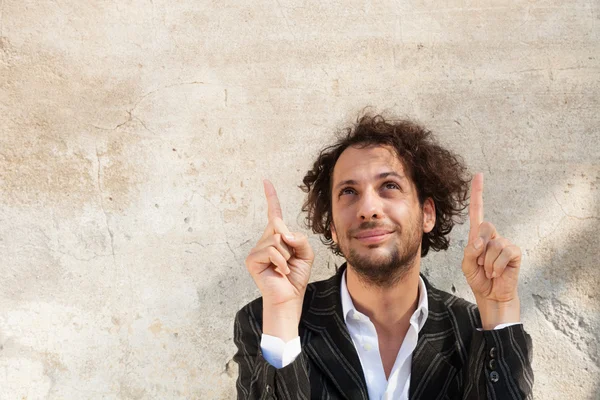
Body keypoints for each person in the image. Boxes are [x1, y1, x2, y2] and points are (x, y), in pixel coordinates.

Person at [233, 114, 533, 399]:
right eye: (349, 192)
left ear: (427, 214)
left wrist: (499, 311)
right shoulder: (266, 320)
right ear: (332, 227)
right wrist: (283, 312)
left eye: (389, 186)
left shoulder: (476, 330)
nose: (368, 208)